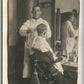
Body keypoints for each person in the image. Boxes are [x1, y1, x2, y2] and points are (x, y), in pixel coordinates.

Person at [19, 5, 51, 78]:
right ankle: (31, 80)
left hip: (40, 47)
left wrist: (43, 31)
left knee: (40, 66)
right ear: (32, 12)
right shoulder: (28, 22)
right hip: (31, 48)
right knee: (31, 66)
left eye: (38, 10)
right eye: (34, 10)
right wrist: (27, 30)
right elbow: (21, 31)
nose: (36, 12)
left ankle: (39, 79)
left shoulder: (44, 22)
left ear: (40, 12)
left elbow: (49, 35)